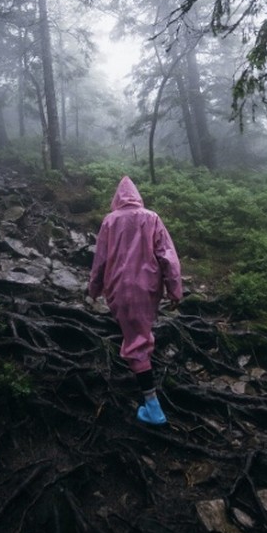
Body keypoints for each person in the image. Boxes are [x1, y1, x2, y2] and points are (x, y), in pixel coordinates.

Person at [88, 175, 182, 426]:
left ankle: (153, 408)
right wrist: (175, 289)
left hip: (120, 286)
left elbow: (101, 258)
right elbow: (167, 257)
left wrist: (94, 287)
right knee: (139, 334)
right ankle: (148, 388)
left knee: (135, 341)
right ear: (137, 196)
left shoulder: (110, 221)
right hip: (148, 288)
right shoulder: (151, 218)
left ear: (117, 198)